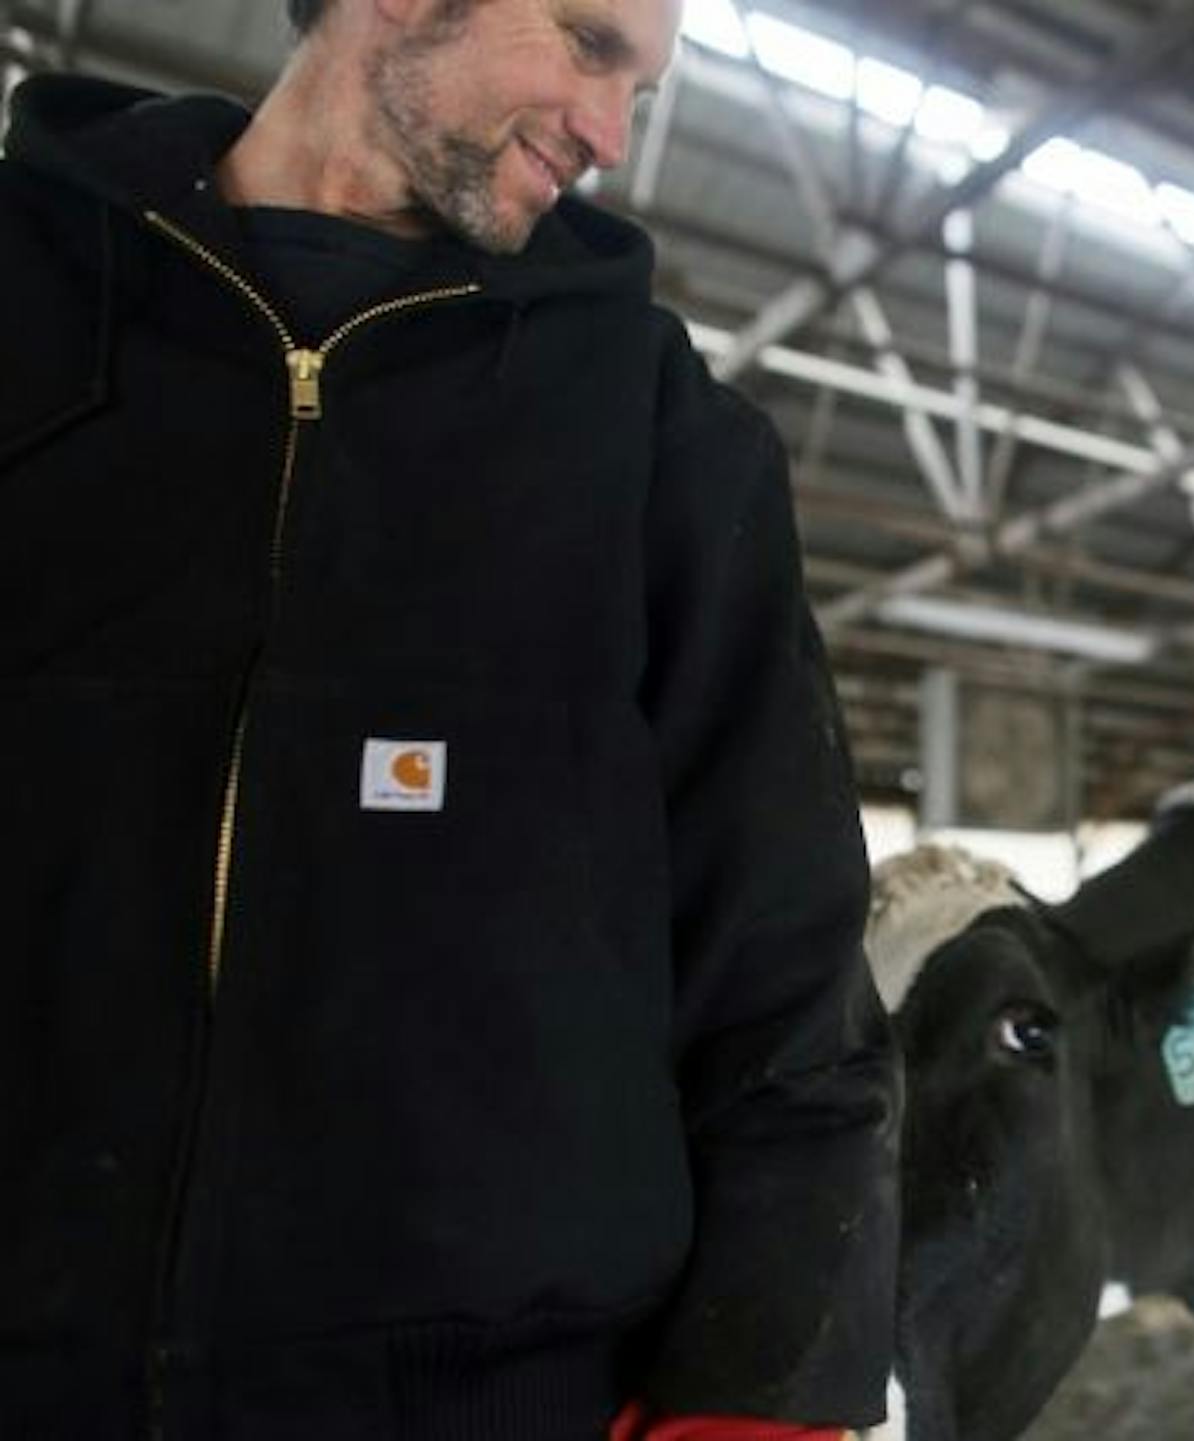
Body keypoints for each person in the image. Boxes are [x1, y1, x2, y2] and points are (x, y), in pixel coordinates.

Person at [0, 0, 898, 1437]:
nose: (611, 136)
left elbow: (782, 961)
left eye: (642, 89)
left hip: (484, 1401)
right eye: (590, 46)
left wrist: (762, 1390)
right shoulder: (29, 311)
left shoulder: (661, 440)